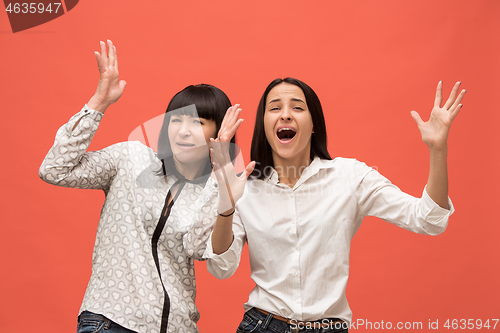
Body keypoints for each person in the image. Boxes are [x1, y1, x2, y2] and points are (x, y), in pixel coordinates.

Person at [206, 77, 465, 333]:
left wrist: (437, 149)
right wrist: (226, 202)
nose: (285, 115)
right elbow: (221, 267)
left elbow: (429, 220)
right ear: (264, 125)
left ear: (314, 124)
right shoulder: (244, 187)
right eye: (275, 108)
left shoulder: (349, 176)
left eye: (297, 107)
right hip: (263, 326)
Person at [39, 40, 244, 333]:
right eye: (177, 120)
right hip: (110, 321)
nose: (184, 130)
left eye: (198, 122)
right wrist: (99, 103)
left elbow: (199, 248)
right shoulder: (131, 158)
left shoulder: (213, 189)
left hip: (178, 328)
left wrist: (219, 178)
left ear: (217, 132)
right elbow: (54, 169)